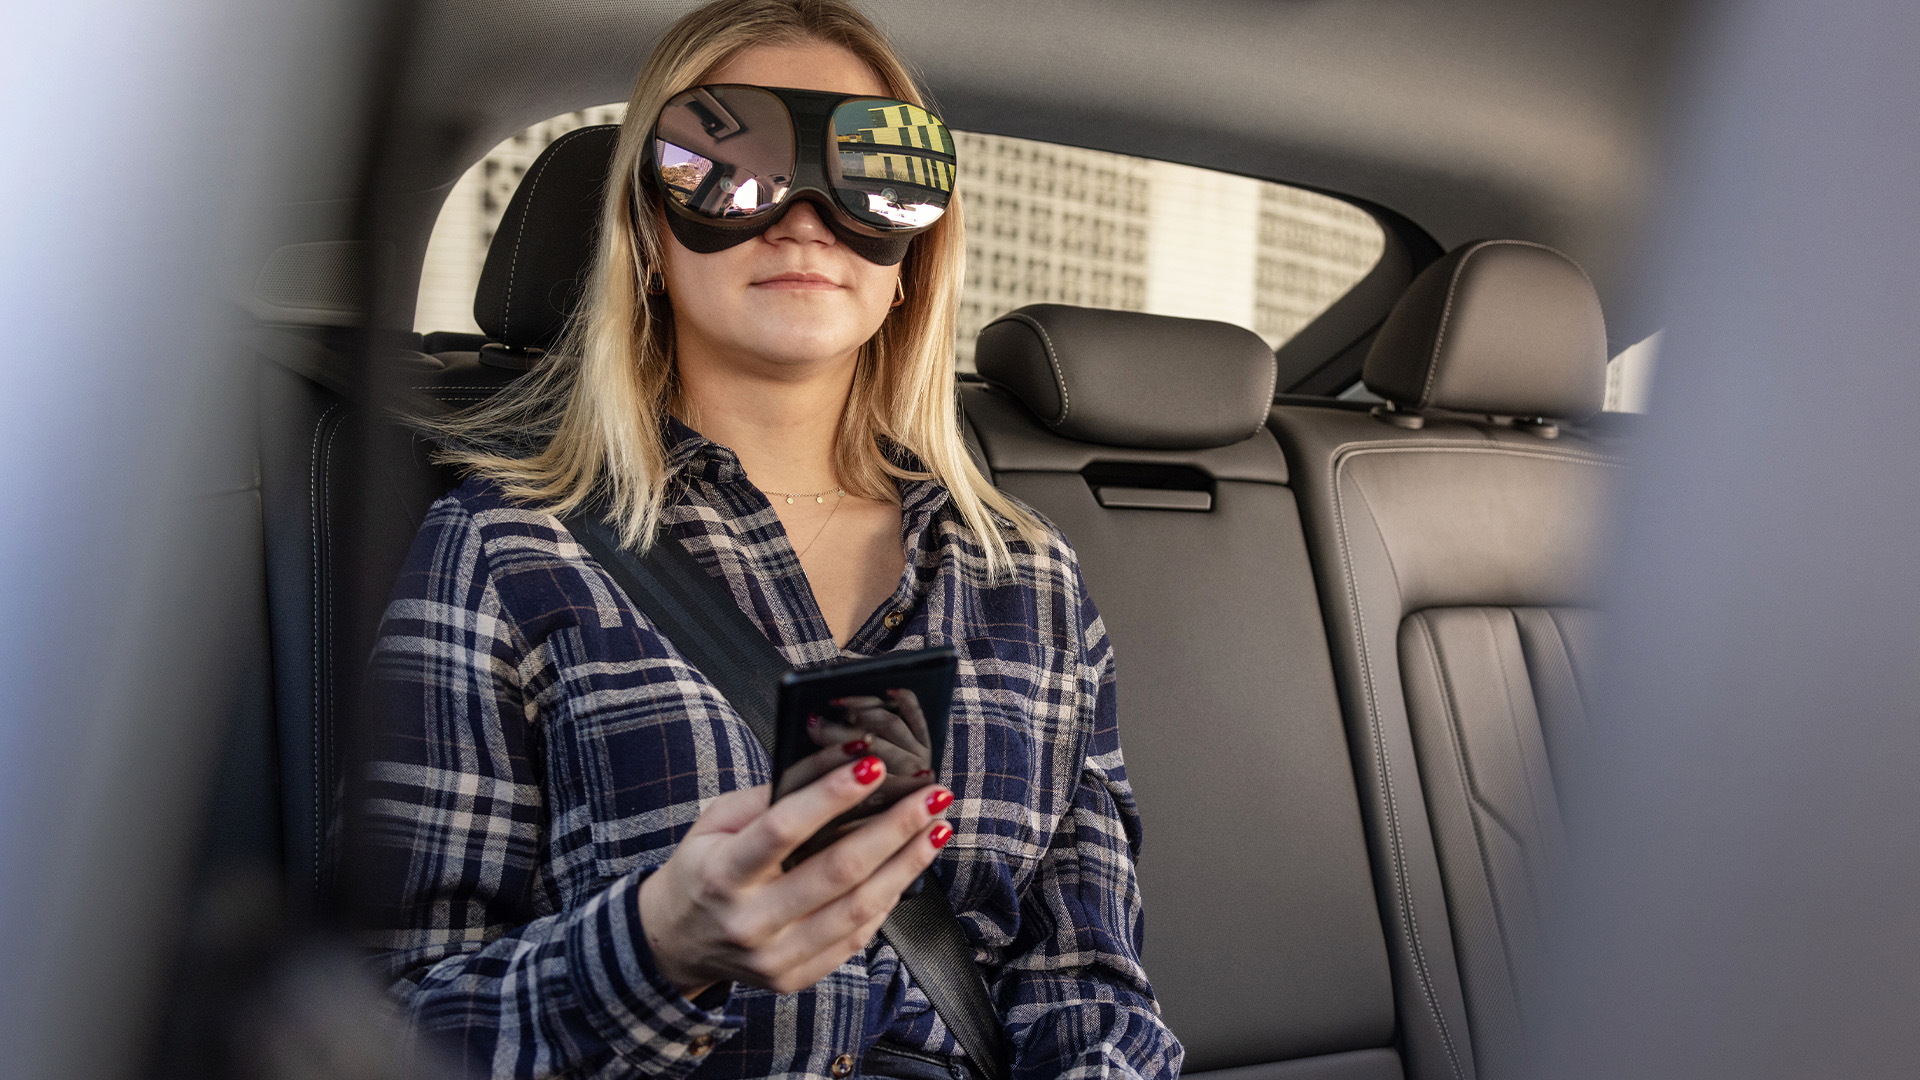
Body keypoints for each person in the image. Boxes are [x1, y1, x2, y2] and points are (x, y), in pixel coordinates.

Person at [357, 1, 1181, 1077]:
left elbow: (1087, 984)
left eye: (871, 174)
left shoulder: (1025, 577)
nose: (803, 217)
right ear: (651, 233)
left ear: (911, 258)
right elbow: (381, 1028)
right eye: (728, 167)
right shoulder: (506, 553)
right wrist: (654, 950)